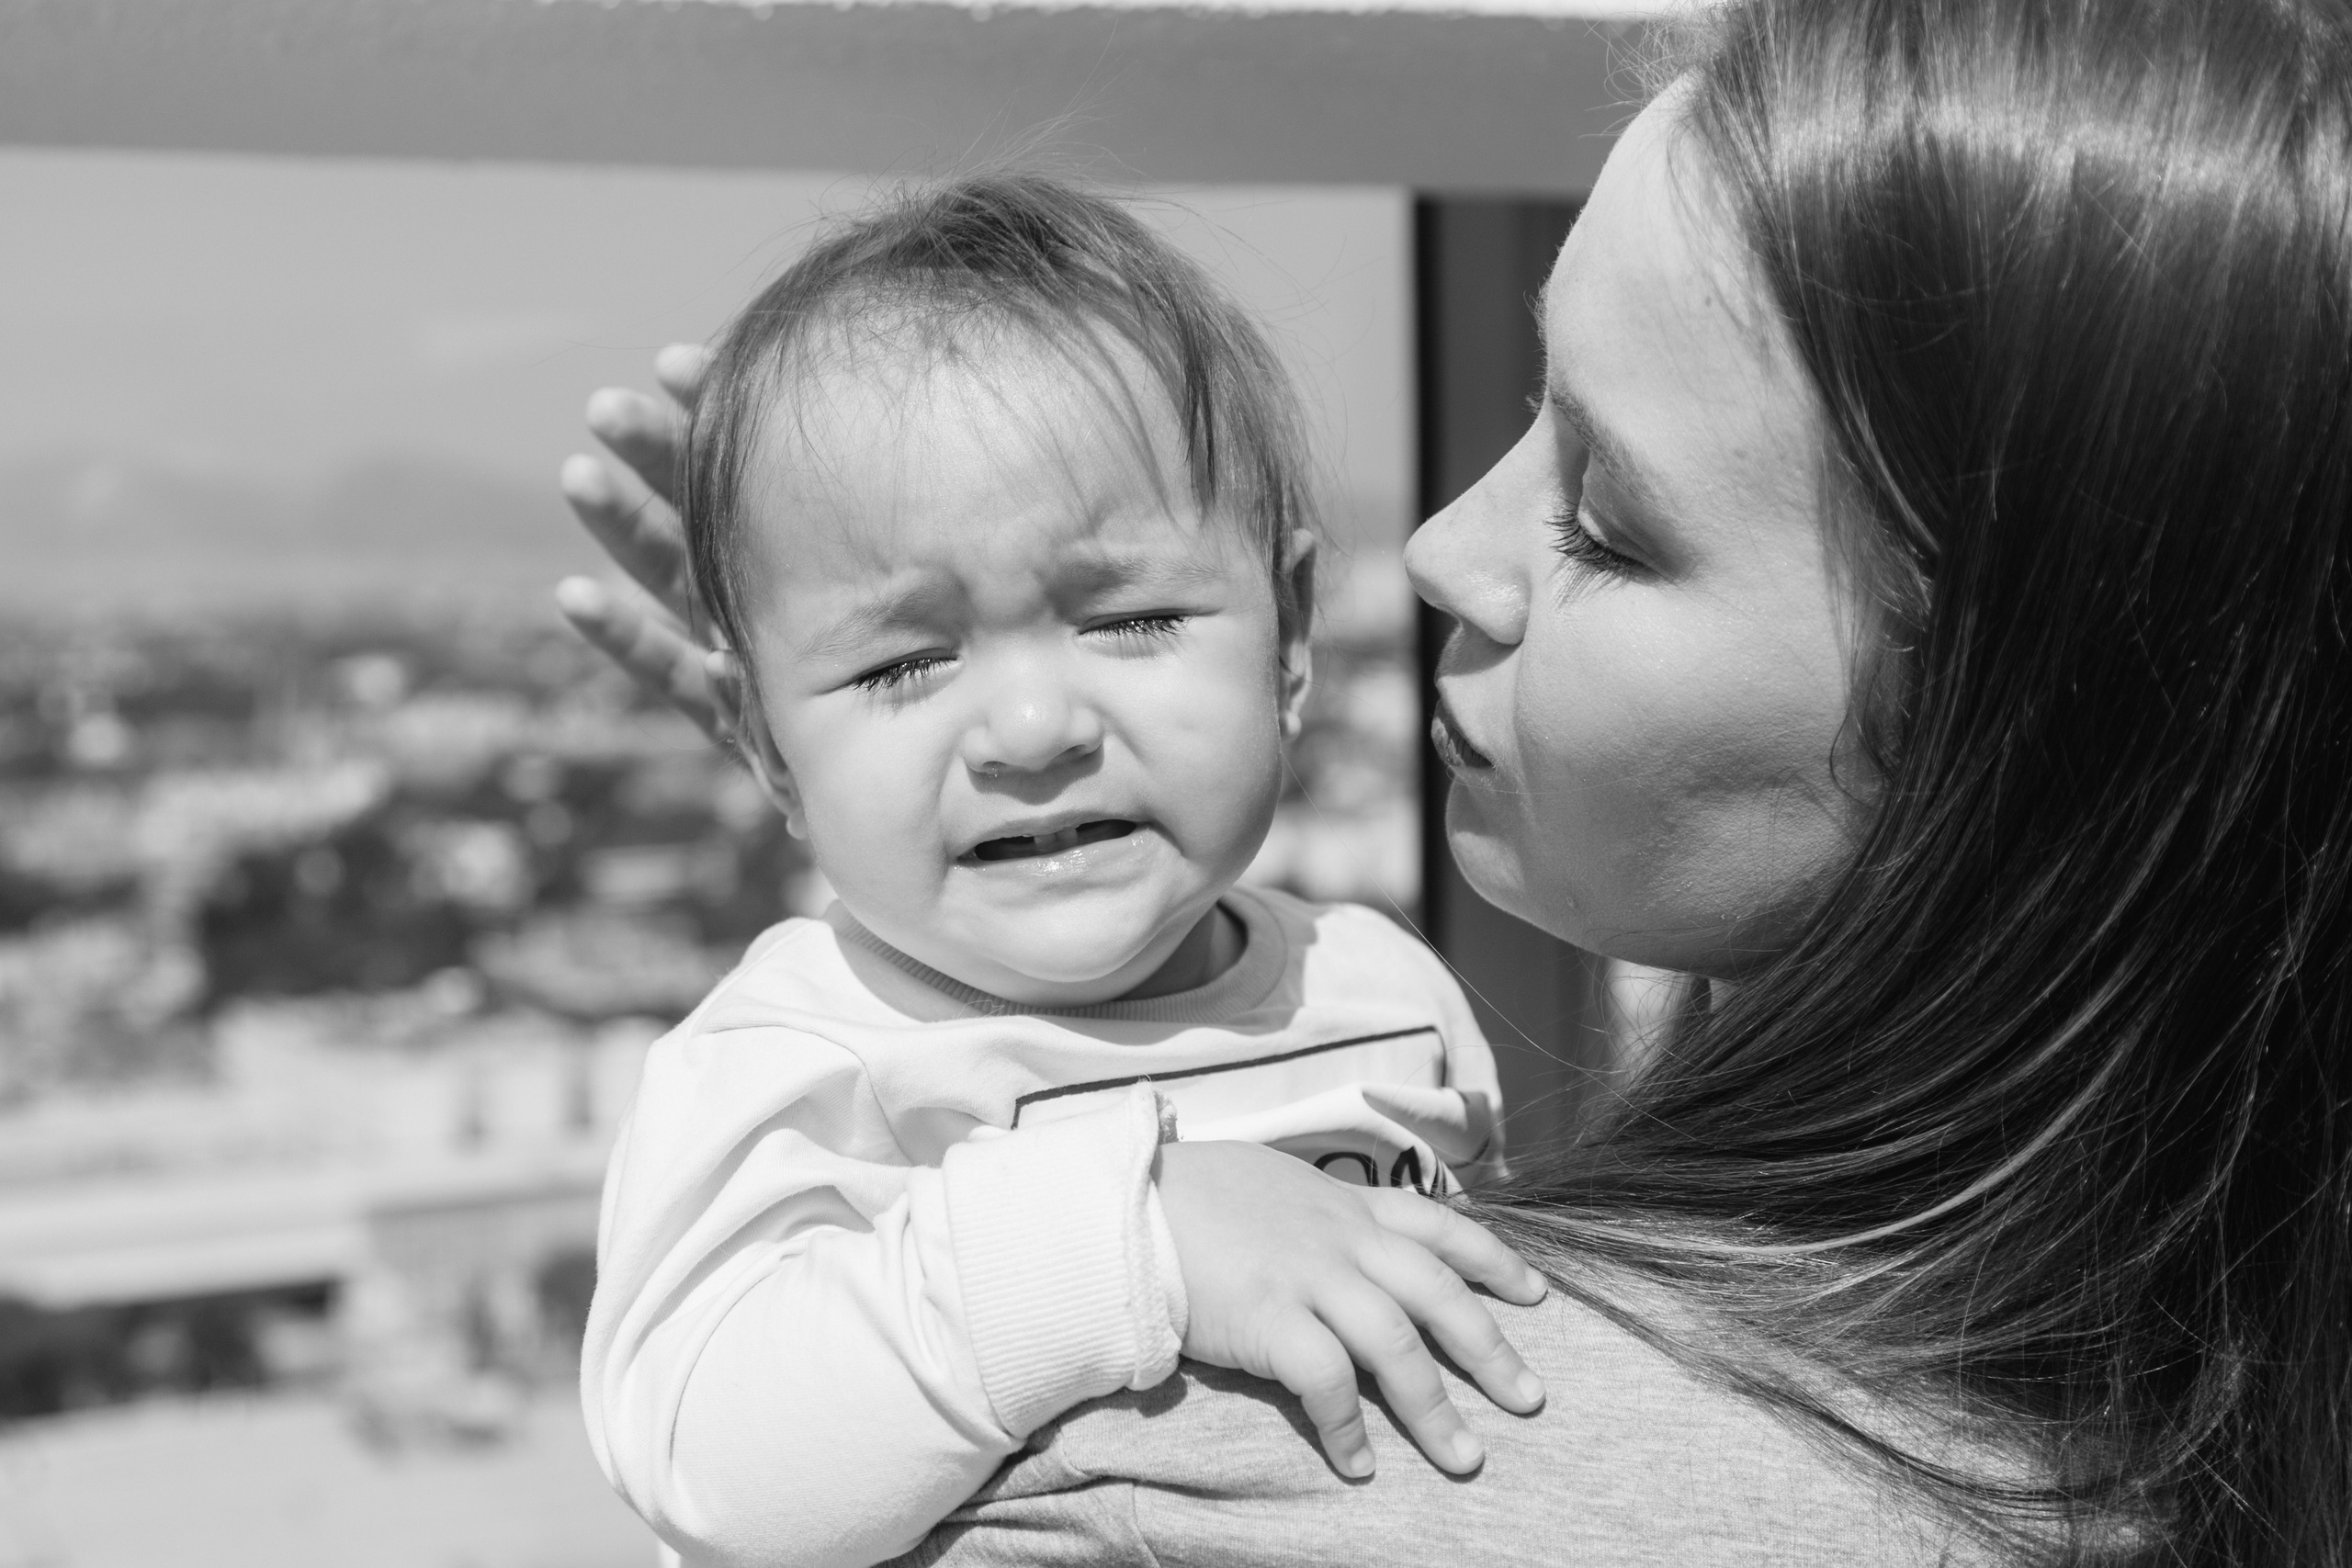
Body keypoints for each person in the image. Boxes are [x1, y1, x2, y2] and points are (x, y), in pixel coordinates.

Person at [556, 0, 2352, 1560]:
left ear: (1984, 744)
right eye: (901, 660)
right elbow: (707, 1438)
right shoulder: (2205, 1310)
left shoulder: (1187, 1462)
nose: (1424, 546)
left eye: (1599, 512)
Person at [576, 174, 1549, 1568]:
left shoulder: (1379, 984)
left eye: (1134, 617)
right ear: (768, 749)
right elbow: (718, 1467)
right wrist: (1128, 1238)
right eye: (903, 660)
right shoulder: (795, 1069)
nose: (1034, 730)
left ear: (1285, 637)